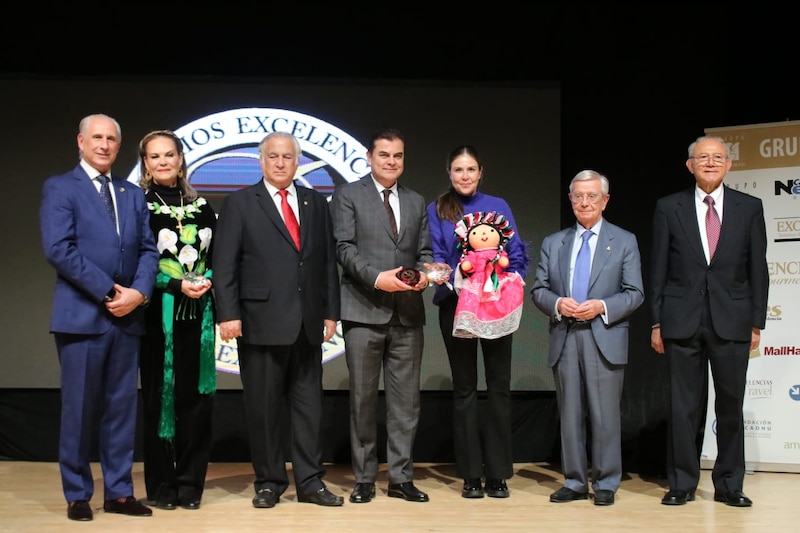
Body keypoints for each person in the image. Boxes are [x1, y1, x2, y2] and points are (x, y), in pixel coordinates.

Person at [213, 131, 344, 508]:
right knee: (264, 408)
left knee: (308, 408)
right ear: (261, 160)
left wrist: (331, 311)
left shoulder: (316, 203)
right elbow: (225, 264)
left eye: (288, 157)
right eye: (274, 156)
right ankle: (269, 482)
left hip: (307, 323)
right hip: (258, 321)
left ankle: (310, 482)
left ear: (297, 161)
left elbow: (325, 263)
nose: (281, 163)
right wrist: (229, 314)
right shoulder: (240, 202)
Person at [39, 114, 159, 521]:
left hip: (127, 319)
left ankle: (120, 493)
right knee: (80, 409)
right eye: (97, 137)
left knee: (121, 409)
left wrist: (139, 293)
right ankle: (77, 494)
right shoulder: (60, 187)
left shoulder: (130, 192)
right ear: (80, 141)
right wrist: (110, 292)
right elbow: (59, 249)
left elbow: (148, 249)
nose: (104, 145)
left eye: (111, 139)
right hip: (82, 317)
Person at [650, 136, 769, 508]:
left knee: (730, 406)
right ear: (690, 165)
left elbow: (758, 269)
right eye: (703, 157)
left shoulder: (750, 207)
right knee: (684, 407)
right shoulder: (668, 207)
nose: (711, 162)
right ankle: (682, 482)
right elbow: (658, 269)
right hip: (680, 320)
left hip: (732, 320)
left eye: (718, 157)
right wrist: (656, 322)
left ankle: (730, 483)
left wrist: (756, 322)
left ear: (729, 164)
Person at [330, 127, 433, 504]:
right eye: (385, 155)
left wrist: (424, 273)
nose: (392, 162)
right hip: (363, 309)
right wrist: (377, 278)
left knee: (406, 403)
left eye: (398, 156)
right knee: (362, 400)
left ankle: (401, 477)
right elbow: (343, 247)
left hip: (407, 314)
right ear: (370, 158)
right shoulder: (348, 195)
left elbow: (423, 250)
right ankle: (364, 479)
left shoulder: (417, 200)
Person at [531, 169, 643, 507]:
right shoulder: (554, 242)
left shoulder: (625, 240)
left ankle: (606, 482)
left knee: (605, 415)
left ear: (605, 200)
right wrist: (557, 303)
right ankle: (575, 481)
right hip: (565, 335)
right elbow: (538, 290)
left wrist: (602, 306)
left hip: (603, 336)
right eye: (578, 196)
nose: (584, 202)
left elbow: (635, 293)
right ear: (570, 199)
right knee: (569, 414)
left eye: (591, 196)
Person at [426, 146, 529, 499]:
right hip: (457, 307)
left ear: (481, 171)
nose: (464, 175)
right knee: (465, 388)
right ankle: (470, 474)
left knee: (499, 386)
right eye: (458, 169)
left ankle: (498, 473)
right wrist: (451, 274)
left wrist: (503, 278)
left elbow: (516, 254)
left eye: (470, 169)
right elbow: (437, 256)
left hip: (497, 306)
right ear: (449, 172)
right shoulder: (437, 208)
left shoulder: (498, 206)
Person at [137, 130, 217, 511]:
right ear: (146, 163)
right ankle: (161, 486)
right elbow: (133, 261)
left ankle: (190, 485)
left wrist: (208, 280)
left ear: (181, 159)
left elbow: (217, 256)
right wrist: (172, 284)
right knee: (160, 401)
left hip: (198, 318)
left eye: (169, 154)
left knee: (197, 403)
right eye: (155, 157)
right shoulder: (138, 204)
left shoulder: (202, 206)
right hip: (157, 319)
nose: (163, 162)